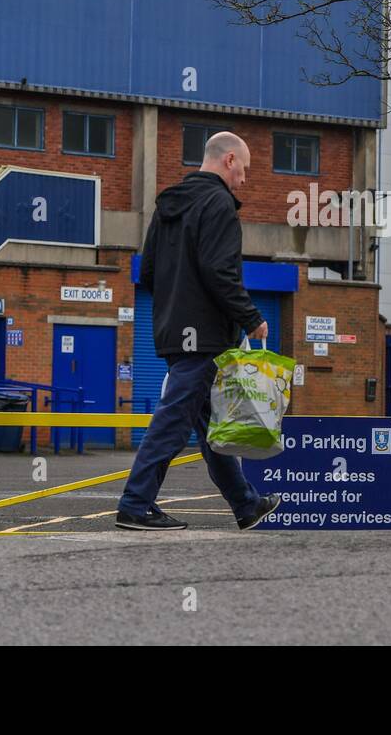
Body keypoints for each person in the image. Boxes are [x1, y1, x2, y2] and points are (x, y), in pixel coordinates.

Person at [116, 131, 282, 531]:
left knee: (211, 425)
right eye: (244, 169)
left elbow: (150, 271)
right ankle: (135, 504)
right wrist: (250, 318)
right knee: (173, 420)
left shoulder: (168, 205)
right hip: (206, 336)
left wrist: (179, 305)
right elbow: (219, 271)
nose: (244, 179)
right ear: (228, 161)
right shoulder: (219, 204)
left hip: (174, 330)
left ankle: (245, 505)